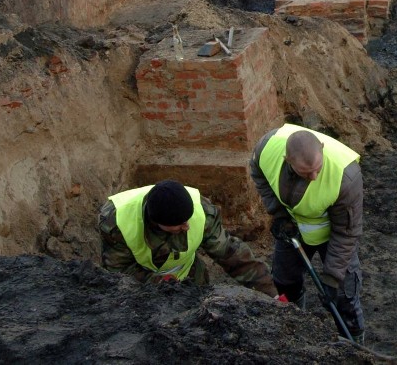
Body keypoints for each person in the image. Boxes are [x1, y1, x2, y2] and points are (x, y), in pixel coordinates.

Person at [250, 124, 365, 344]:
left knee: (344, 296)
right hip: (293, 228)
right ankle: (293, 328)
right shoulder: (266, 151)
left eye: (318, 169)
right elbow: (259, 175)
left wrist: (331, 278)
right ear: (287, 160)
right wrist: (279, 215)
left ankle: (354, 346)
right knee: (284, 281)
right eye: (305, 172)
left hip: (334, 233)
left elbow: (347, 233)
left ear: (322, 149)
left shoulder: (346, 176)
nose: (313, 177)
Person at [98, 179, 277, 297]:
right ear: (156, 222)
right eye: (179, 224)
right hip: (143, 291)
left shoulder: (202, 211)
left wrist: (271, 291)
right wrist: (164, 284)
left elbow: (230, 254)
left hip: (191, 277)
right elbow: (119, 273)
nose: (187, 226)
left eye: (187, 219)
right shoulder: (116, 222)